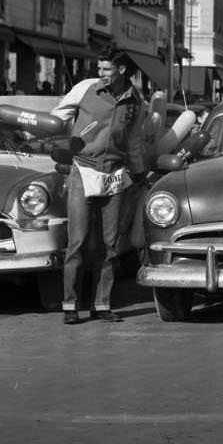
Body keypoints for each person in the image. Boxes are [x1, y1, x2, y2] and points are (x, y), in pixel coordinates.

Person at [58, 49, 146, 325]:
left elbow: (132, 141)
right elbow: (57, 117)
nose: (101, 73)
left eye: (106, 69)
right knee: (78, 241)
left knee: (109, 245)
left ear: (121, 71)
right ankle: (70, 306)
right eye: (100, 68)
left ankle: (102, 304)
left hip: (114, 175)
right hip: (82, 171)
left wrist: (140, 171)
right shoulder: (85, 88)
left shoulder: (134, 100)